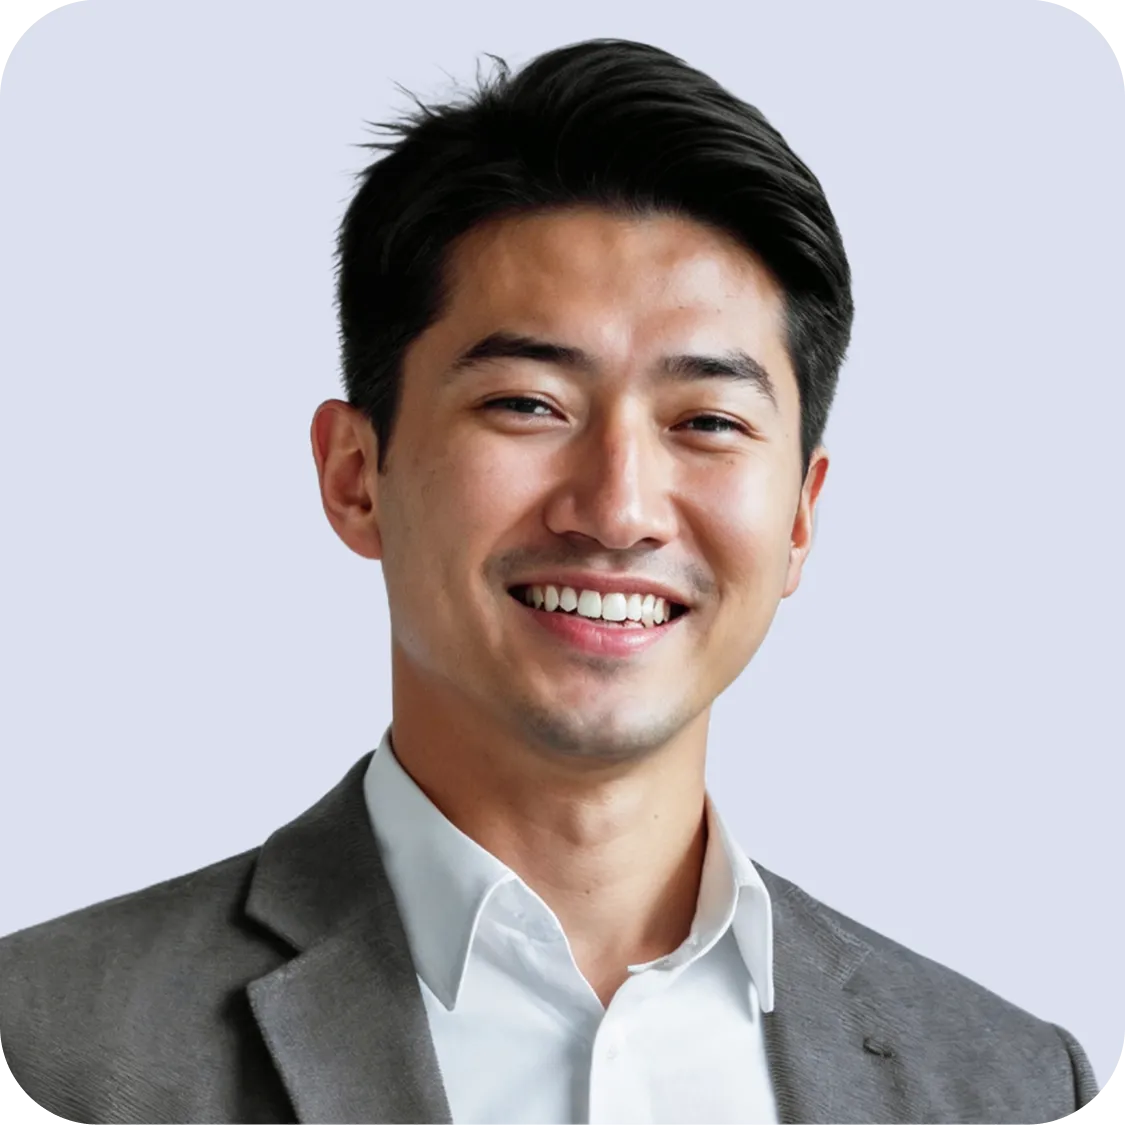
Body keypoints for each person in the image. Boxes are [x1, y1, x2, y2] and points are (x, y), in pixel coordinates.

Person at [0, 37, 1100, 1125]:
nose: (619, 508)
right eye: (529, 405)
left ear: (803, 516)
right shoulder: (51, 1046)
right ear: (354, 476)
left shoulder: (1008, 1088)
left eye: (708, 422)